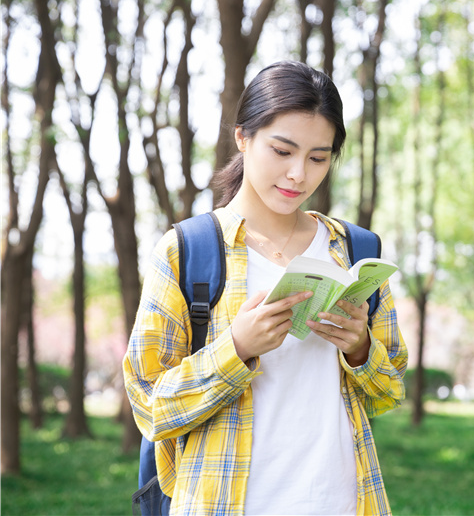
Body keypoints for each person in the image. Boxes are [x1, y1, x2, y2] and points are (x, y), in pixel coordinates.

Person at [123, 60, 407, 516]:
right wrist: (236, 348)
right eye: (282, 150)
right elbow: (151, 407)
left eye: (318, 158)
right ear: (243, 137)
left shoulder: (354, 250)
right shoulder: (188, 250)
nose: (299, 174)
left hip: (339, 501)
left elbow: (389, 391)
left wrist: (359, 349)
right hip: (224, 502)